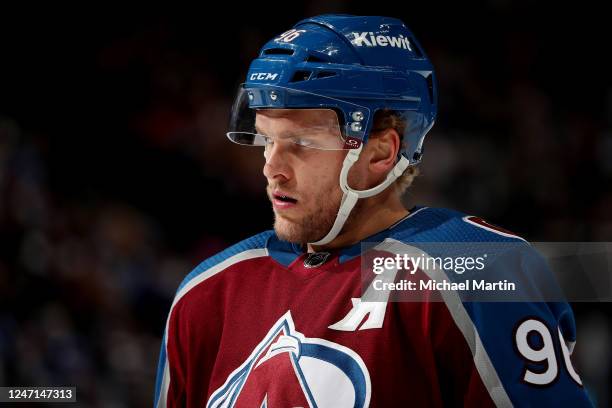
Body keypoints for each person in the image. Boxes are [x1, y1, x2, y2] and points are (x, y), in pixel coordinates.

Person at [154, 14, 593, 407]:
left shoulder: (480, 269)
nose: (272, 169)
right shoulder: (207, 293)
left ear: (382, 152)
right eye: (268, 139)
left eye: (301, 143)